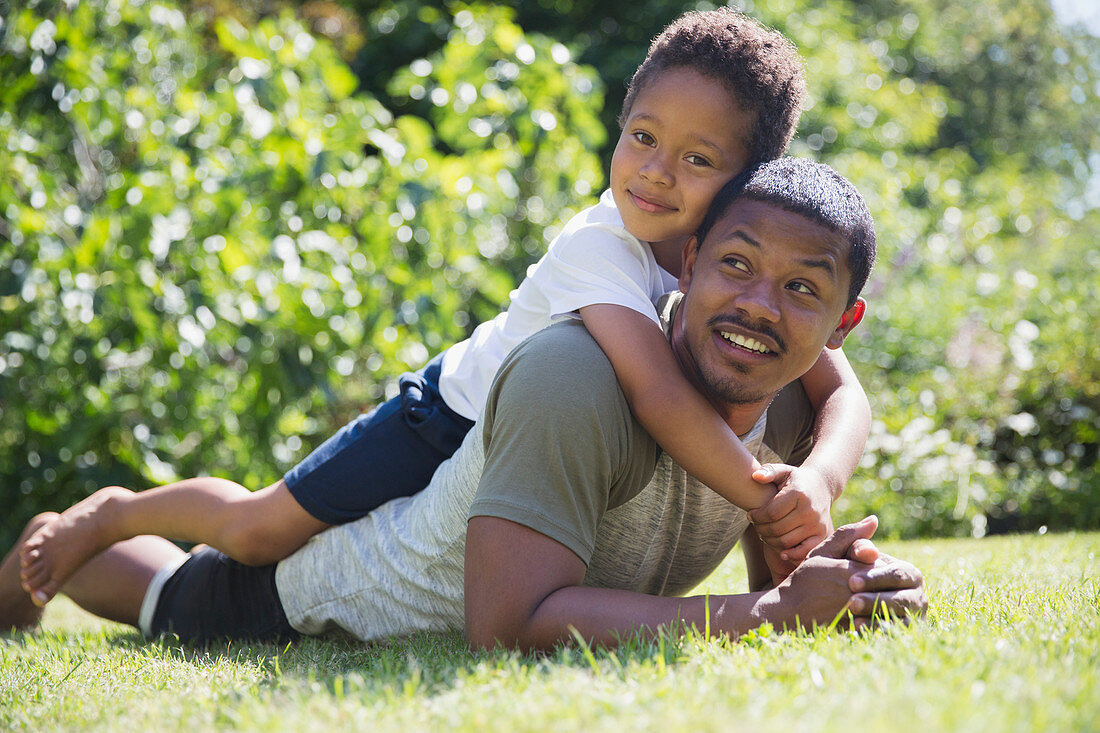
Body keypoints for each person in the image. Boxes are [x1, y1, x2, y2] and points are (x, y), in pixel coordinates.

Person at [17, 8, 871, 606]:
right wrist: (770, 497)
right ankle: (120, 511)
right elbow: (657, 394)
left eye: (696, 158)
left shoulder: (733, 261)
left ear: (747, 180)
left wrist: (818, 481)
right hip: (444, 418)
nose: (654, 172)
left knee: (254, 551)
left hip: (507, 441)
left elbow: (839, 387)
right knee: (258, 528)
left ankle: (145, 562)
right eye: (642, 138)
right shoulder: (599, 246)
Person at [1, 158, 927, 646]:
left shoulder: (795, 393)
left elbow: (784, 578)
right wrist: (766, 618)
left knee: (210, 546)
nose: (760, 306)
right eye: (736, 264)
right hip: (326, 593)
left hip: (432, 466)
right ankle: (76, 530)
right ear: (687, 261)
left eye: (801, 290)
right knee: (175, 590)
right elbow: (508, 627)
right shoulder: (585, 359)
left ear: (841, 321)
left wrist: (839, 585)